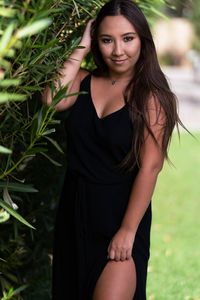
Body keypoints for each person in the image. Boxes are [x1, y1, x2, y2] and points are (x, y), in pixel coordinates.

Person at [43, 0, 181, 299]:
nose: (118, 50)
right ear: (96, 42)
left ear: (142, 41)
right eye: (107, 40)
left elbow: (150, 167)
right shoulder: (83, 81)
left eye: (127, 39)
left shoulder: (152, 97)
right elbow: (52, 99)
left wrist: (128, 231)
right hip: (75, 212)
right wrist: (81, 45)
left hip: (121, 217)